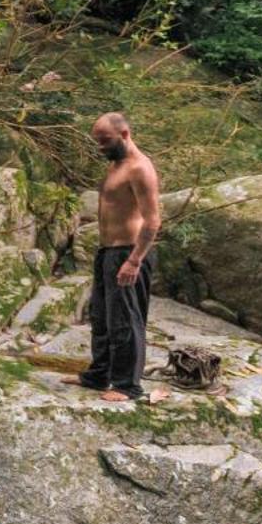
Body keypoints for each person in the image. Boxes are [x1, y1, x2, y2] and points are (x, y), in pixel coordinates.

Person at [78, 111, 160, 402]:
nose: (100, 146)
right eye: (97, 141)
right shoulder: (116, 164)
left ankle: (128, 386)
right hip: (108, 252)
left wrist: (135, 260)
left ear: (124, 134)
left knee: (126, 319)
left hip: (129, 252)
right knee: (100, 316)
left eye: (105, 140)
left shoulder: (140, 168)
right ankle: (99, 375)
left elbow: (152, 221)